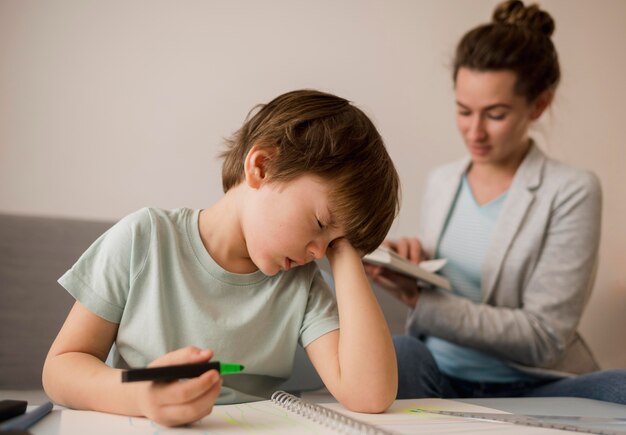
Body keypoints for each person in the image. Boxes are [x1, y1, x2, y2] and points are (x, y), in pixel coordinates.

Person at [42, 89, 400, 426]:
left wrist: (346, 252)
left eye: (333, 244)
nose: (319, 252)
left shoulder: (301, 282)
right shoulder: (144, 239)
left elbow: (369, 395)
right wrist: (141, 397)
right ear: (261, 167)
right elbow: (60, 370)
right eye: (320, 223)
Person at [366, 0, 626, 404]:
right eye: (463, 110)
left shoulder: (572, 190)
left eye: (496, 114)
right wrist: (411, 261)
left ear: (539, 105)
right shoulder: (443, 182)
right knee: (401, 353)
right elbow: (448, 279)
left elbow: (544, 336)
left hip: (535, 384)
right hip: (443, 374)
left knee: (620, 388)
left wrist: (422, 299)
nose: (475, 131)